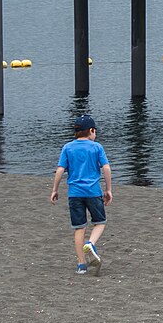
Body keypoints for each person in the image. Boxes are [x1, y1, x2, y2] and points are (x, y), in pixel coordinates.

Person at [50, 115, 113, 274]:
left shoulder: (68, 147)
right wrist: (108, 189)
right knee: (100, 222)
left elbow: (60, 170)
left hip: (74, 193)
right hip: (93, 192)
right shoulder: (96, 147)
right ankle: (91, 243)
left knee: (79, 228)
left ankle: (81, 265)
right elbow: (106, 168)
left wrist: (55, 189)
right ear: (91, 130)